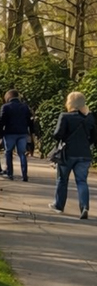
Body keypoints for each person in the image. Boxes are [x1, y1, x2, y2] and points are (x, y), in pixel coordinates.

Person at [51, 91, 95, 219]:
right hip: (84, 153)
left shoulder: (65, 116)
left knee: (62, 180)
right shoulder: (90, 118)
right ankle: (84, 206)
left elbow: (57, 134)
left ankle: (59, 205)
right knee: (82, 181)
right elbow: (94, 137)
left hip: (68, 153)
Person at [0, 90, 32, 181]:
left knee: (8, 152)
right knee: (22, 153)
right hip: (22, 132)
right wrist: (31, 132)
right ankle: (24, 174)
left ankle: (10, 173)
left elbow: (2, 121)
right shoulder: (25, 107)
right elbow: (29, 121)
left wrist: (0, 133)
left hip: (9, 133)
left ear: (8, 97)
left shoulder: (5, 107)